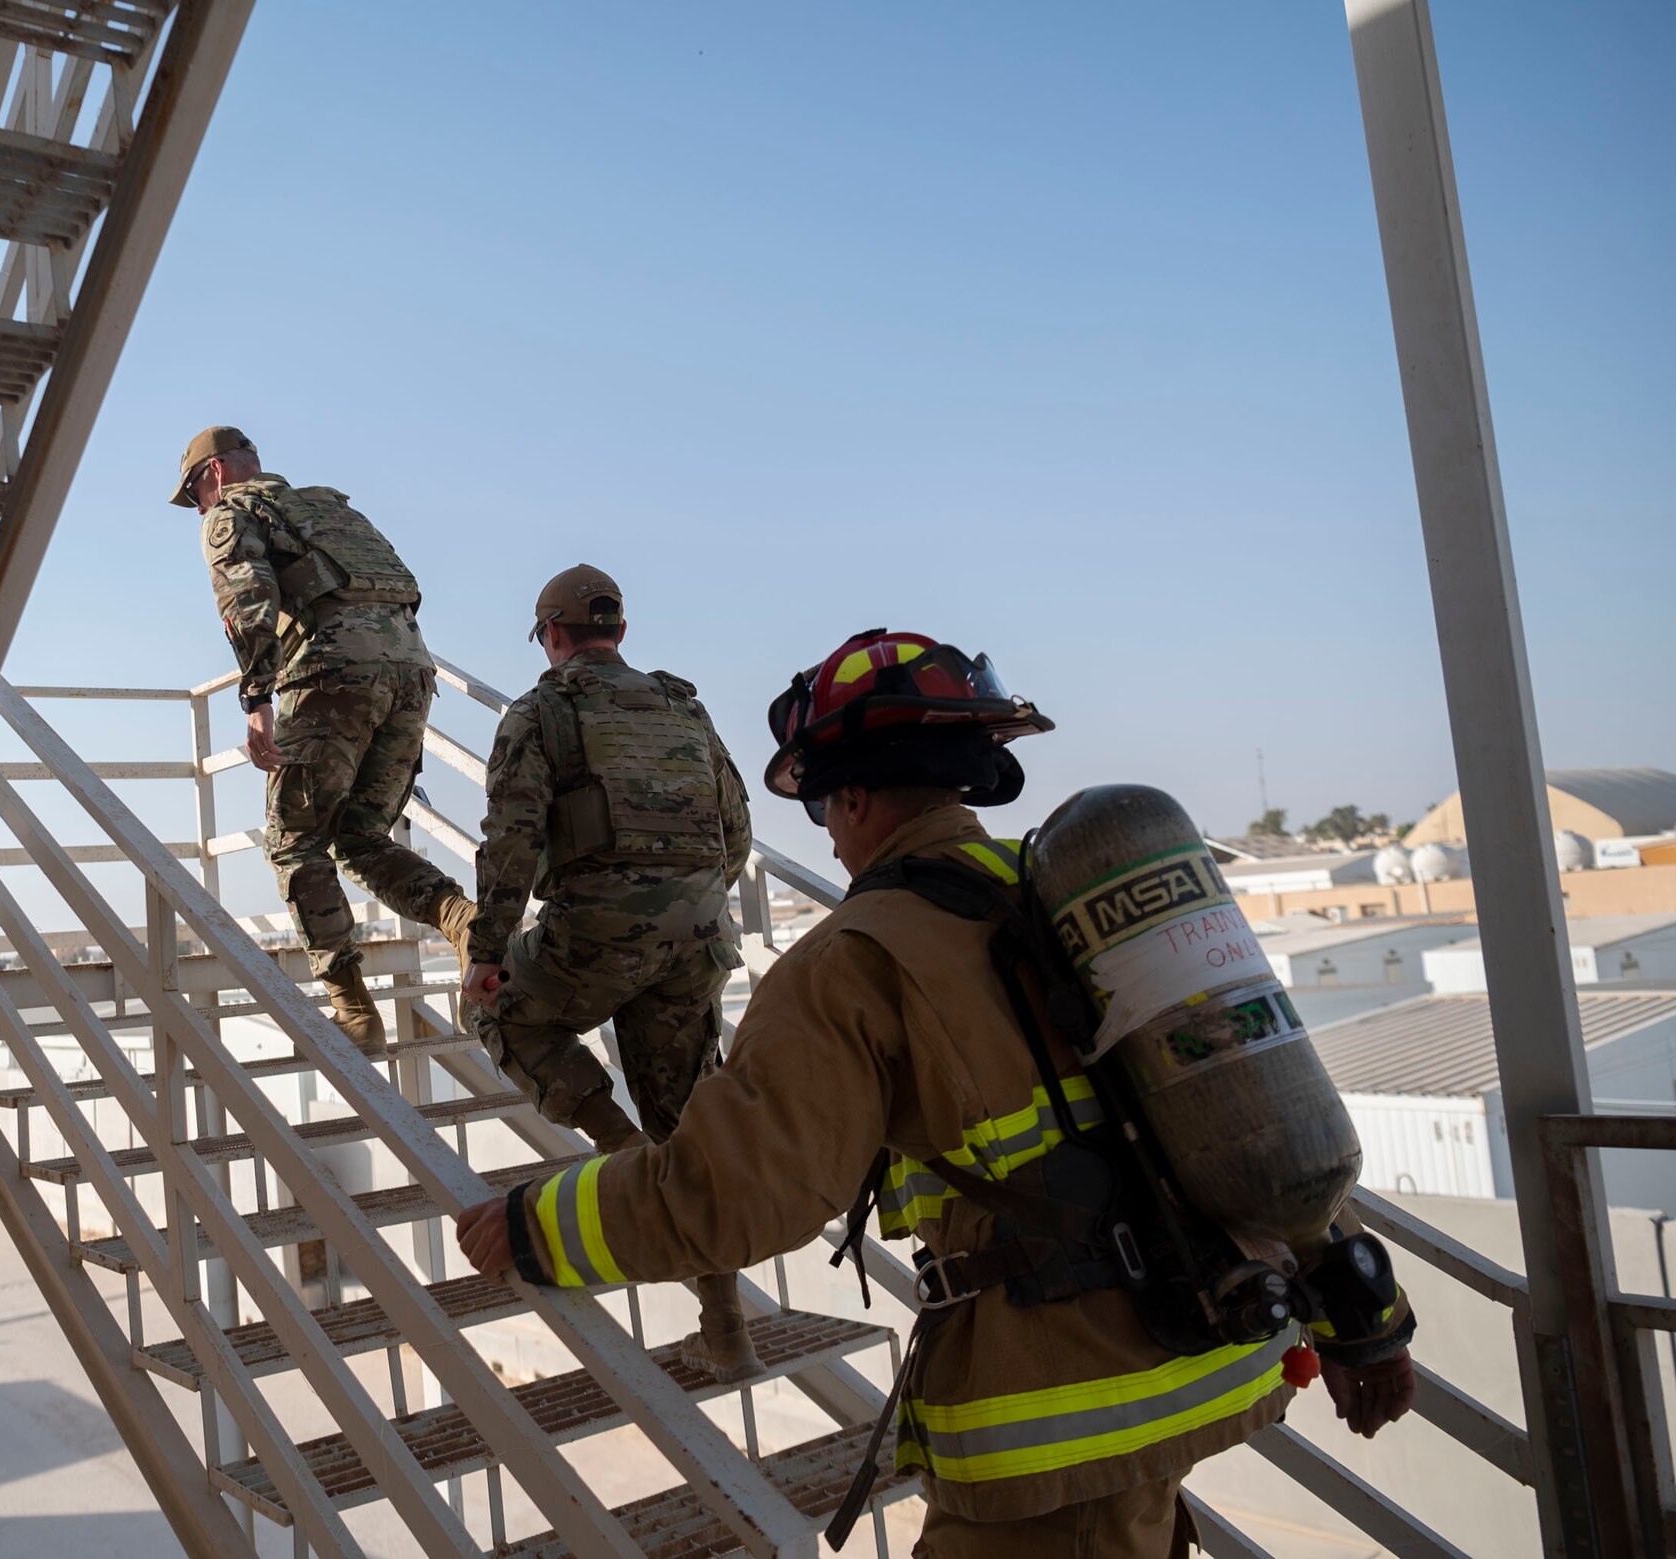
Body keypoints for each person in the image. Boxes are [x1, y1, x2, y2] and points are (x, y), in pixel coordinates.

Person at [458, 628, 1418, 1557]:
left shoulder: (850, 960)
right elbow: (1228, 1103)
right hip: (1206, 1340)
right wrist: (1359, 1314)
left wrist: (540, 1224)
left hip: (1063, 1415)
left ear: (859, 797)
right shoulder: (1049, 891)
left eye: (824, 807)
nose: (829, 839)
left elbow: (735, 1192)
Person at [459, 564, 760, 1380]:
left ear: (551, 636)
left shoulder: (542, 710)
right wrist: (684, 903)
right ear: (619, 632)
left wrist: (487, 953)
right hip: (698, 934)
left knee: (501, 1012)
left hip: (593, 937)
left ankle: (625, 1157)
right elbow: (736, 828)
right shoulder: (681, 705)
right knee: (687, 1116)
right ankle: (727, 1328)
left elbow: (513, 842)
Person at [173, 425, 475, 1056]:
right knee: (361, 836)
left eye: (196, 493)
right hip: (413, 671)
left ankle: (352, 1009)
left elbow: (248, 595)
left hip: (333, 670)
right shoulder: (331, 507)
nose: (199, 508)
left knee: (292, 838)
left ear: (217, 475)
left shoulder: (231, 511)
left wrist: (256, 698)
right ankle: (463, 921)